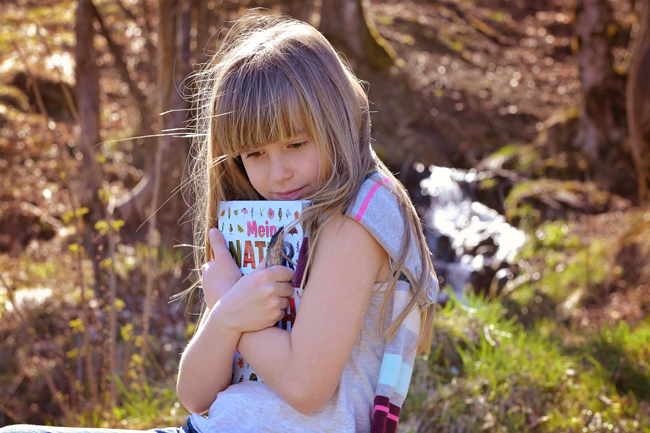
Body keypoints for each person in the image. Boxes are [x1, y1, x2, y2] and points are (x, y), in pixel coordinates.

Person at [0, 9, 438, 433]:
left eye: (295, 143)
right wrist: (227, 316)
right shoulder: (268, 225)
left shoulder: (356, 220)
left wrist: (232, 302)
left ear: (337, 119)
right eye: (254, 154)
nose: (276, 172)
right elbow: (195, 396)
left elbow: (306, 388)